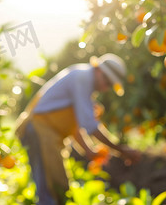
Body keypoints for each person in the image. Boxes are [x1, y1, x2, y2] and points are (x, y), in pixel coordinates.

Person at [15, 53, 141, 205]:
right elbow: (90, 126)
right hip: (39, 131)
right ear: (98, 70)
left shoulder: (84, 84)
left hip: (46, 134)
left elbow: (74, 125)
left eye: (110, 85)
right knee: (49, 192)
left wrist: (89, 151)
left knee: (58, 187)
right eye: (107, 81)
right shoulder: (82, 77)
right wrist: (121, 150)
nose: (106, 87)